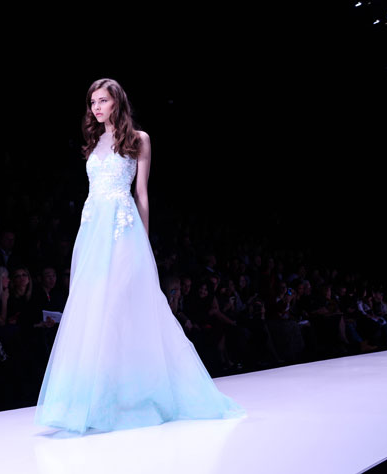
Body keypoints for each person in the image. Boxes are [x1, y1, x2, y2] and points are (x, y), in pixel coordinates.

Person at [34, 78, 244, 434]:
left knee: (119, 307)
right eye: (92, 102)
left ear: (117, 102)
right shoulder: (93, 143)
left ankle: (127, 397)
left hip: (123, 229)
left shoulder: (139, 139)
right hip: (92, 229)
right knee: (92, 309)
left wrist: (143, 243)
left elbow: (141, 193)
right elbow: (92, 195)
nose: (96, 108)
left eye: (102, 100)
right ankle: (91, 401)